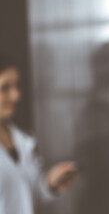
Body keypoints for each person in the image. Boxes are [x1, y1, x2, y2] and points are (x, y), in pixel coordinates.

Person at [0, 55, 78, 214]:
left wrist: (49, 184)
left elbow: (27, 195)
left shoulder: (23, 138)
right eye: (5, 88)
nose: (16, 95)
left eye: (16, 86)